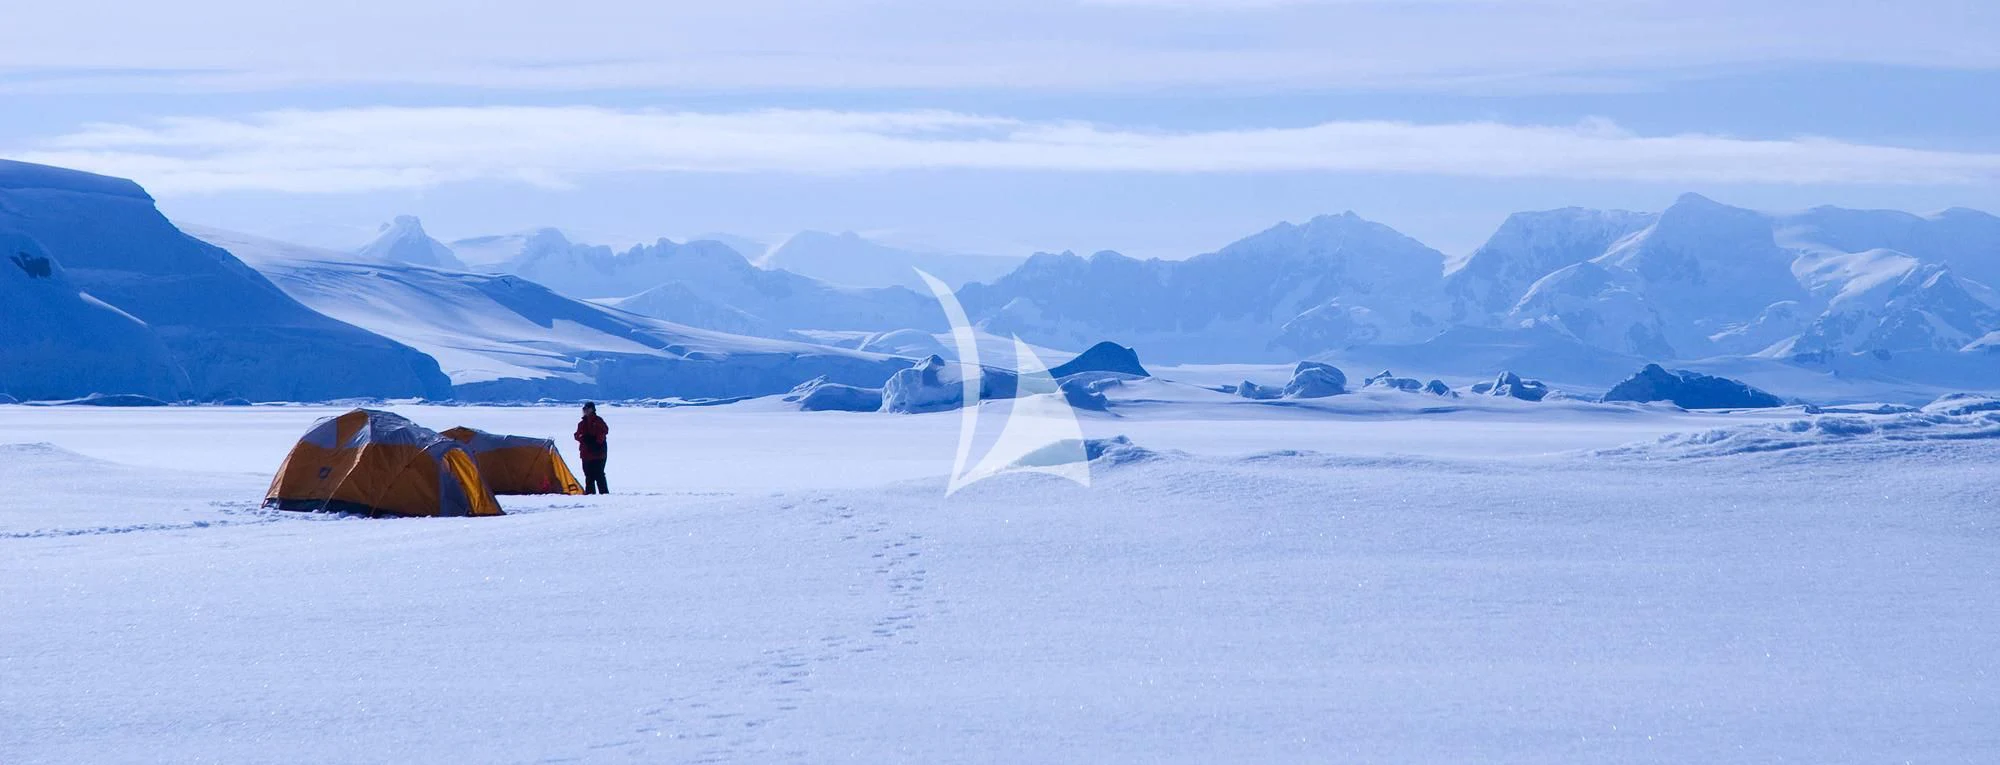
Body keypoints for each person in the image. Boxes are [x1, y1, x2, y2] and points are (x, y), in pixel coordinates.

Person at [574, 401, 610, 495]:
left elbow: (604, 431)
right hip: (586, 453)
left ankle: (604, 494)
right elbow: (577, 435)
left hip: (599, 453)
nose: (584, 410)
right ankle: (590, 495)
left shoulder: (598, 421)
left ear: (592, 409)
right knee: (588, 476)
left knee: (599, 475)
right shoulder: (581, 423)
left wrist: (595, 442)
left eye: (586, 408)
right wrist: (583, 438)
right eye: (584, 409)